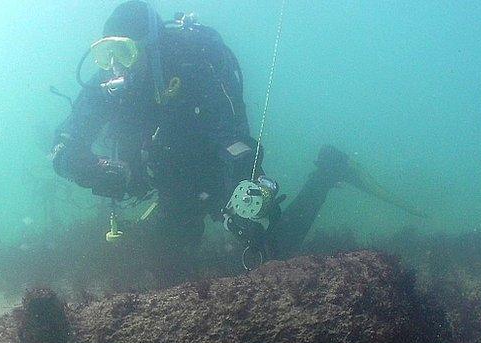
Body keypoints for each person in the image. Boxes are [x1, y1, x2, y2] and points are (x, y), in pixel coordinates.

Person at [51, 1, 359, 268]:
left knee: (273, 246)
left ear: (151, 47)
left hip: (214, 172)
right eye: (106, 54)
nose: (115, 66)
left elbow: (232, 138)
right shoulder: (107, 84)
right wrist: (87, 169)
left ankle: (327, 172)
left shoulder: (194, 66)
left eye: (125, 51)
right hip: (168, 181)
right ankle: (181, 222)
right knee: (165, 253)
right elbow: (64, 143)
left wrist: (242, 197)